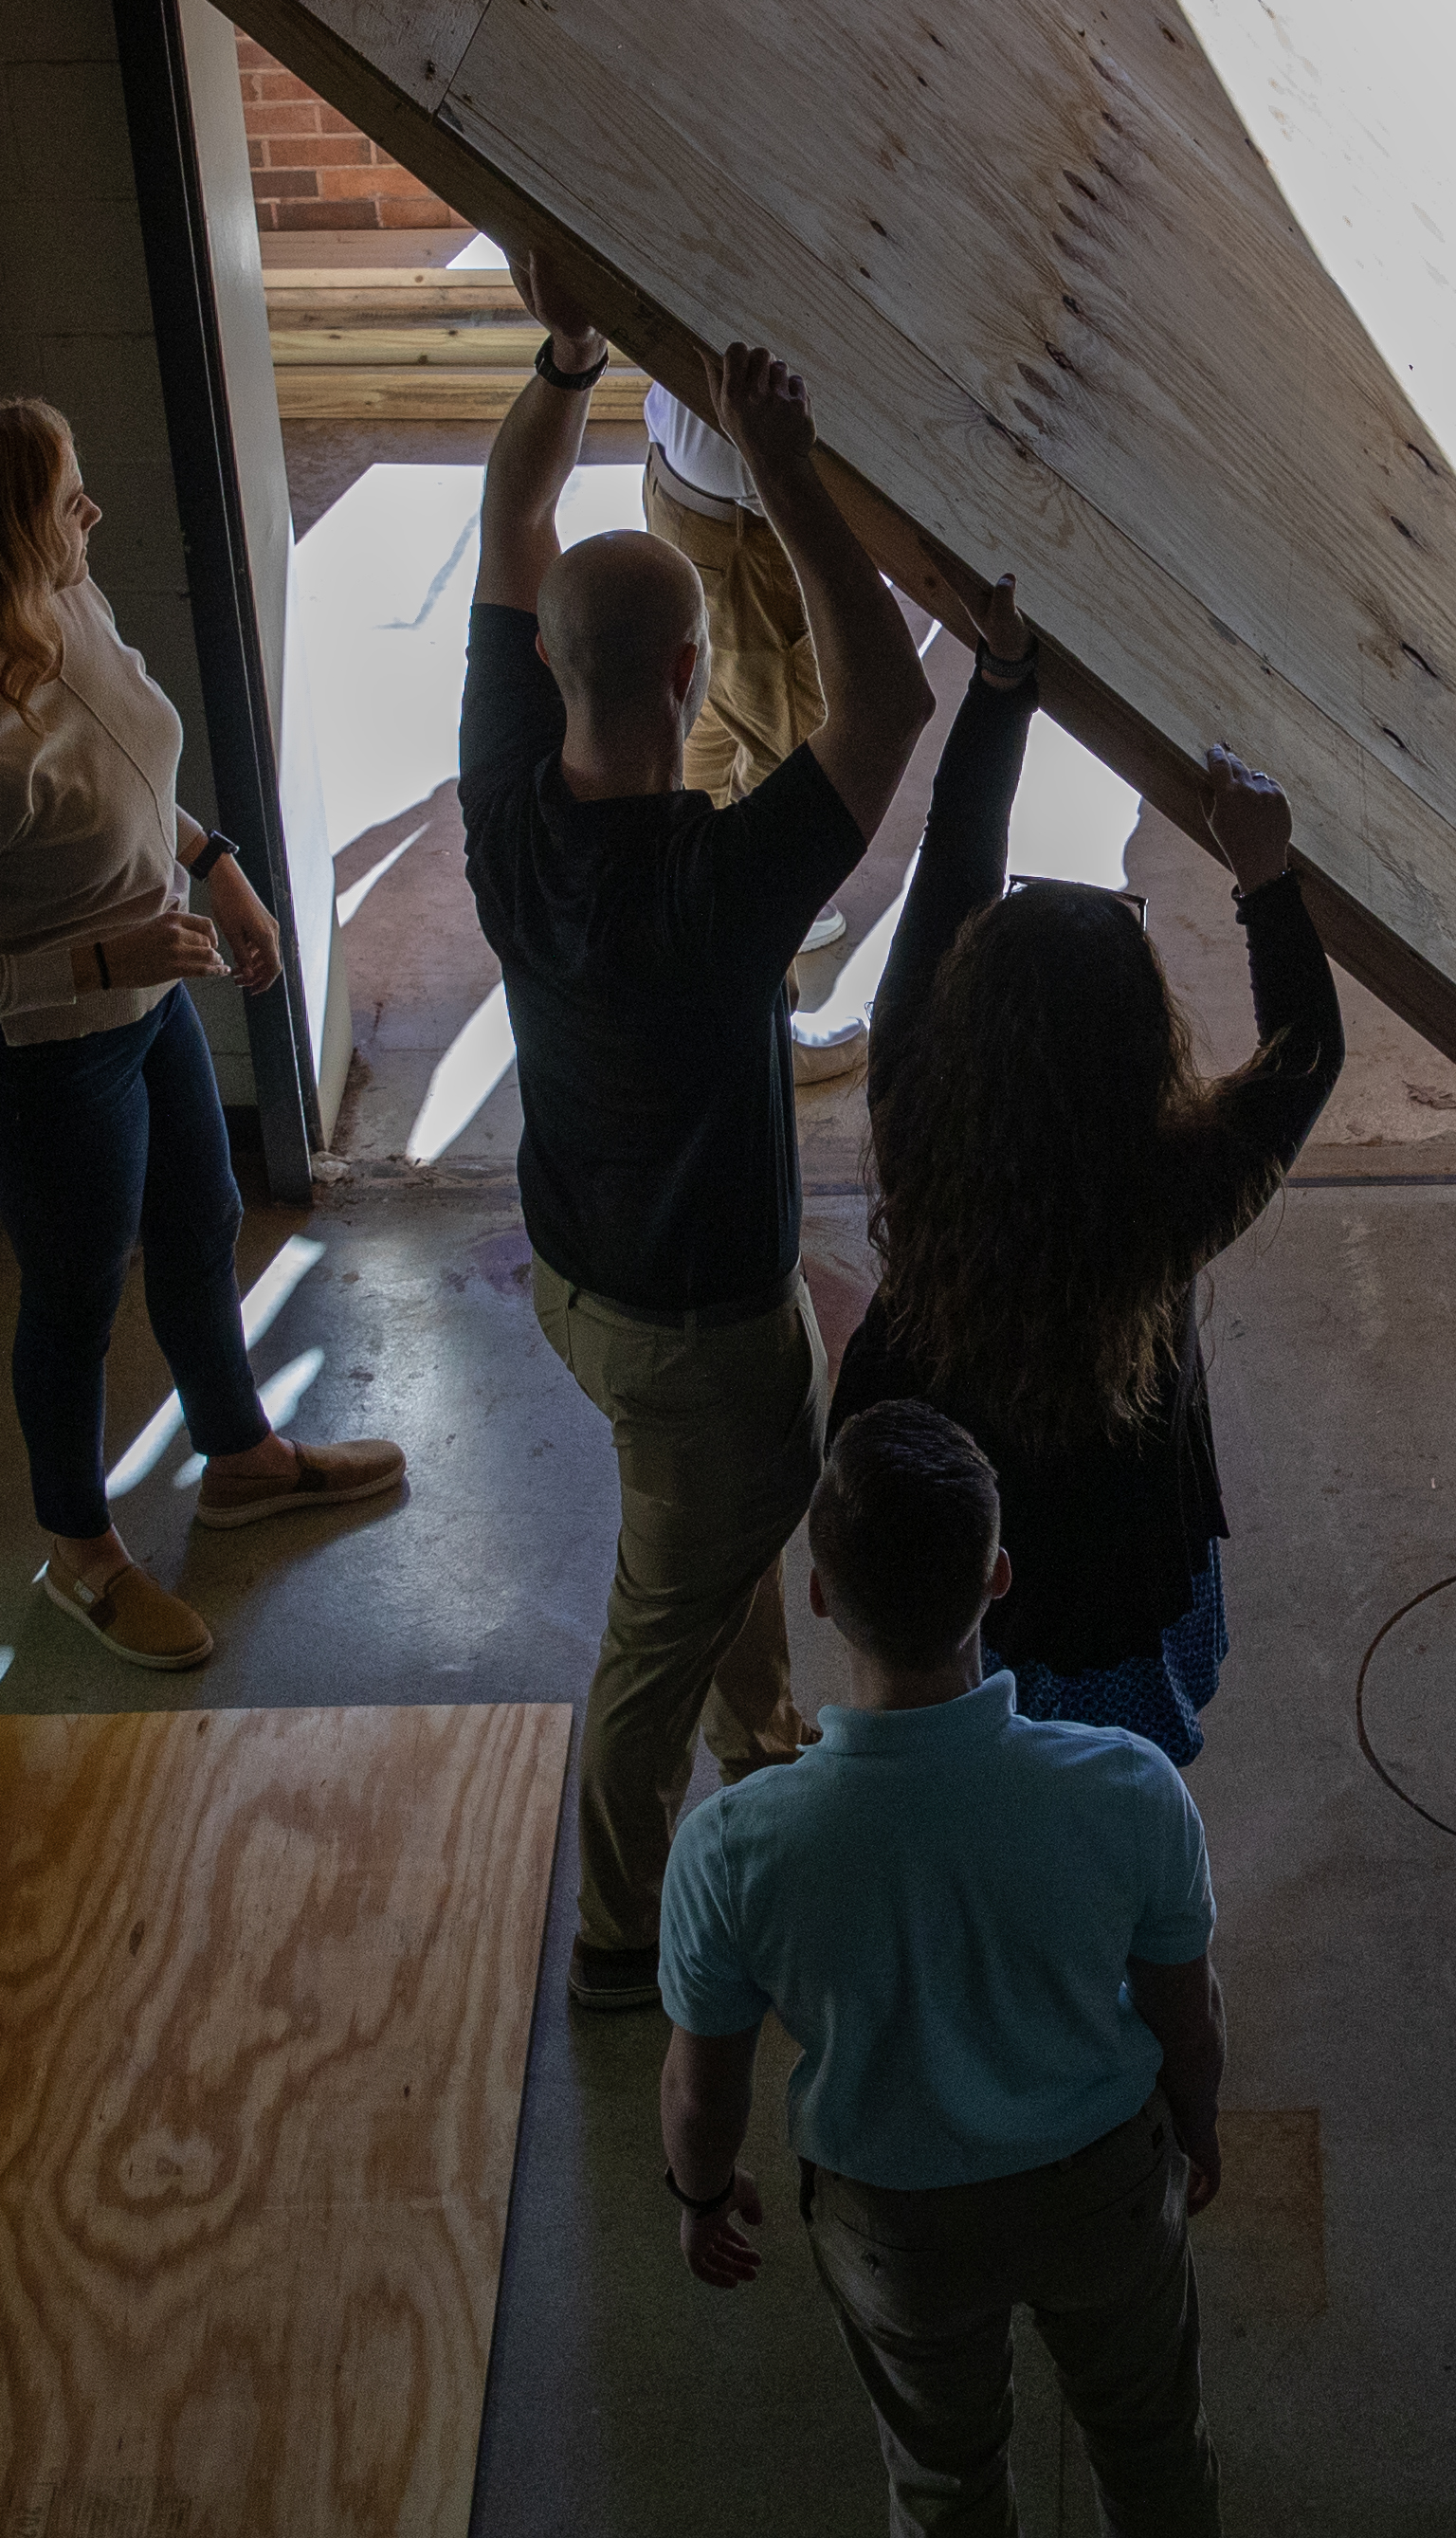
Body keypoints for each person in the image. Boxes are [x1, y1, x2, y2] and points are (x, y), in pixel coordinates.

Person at [659, 1404, 1314, 2538]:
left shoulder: (738, 1846)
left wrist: (703, 2194)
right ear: (998, 1577)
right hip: (1099, 2179)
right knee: (1153, 2434)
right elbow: (1184, 2013)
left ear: (821, 1593)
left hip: (894, 2220)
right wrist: (1195, 2130)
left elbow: (703, 2082)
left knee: (945, 2470)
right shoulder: (1126, 1790)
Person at [466, 259, 930, 2008]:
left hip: (583, 1289)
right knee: (654, 1626)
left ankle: (768, 1733)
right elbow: (886, 712)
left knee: (708, 1530)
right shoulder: (714, 894)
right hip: (700, 1330)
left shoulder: (505, 806)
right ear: (692, 669)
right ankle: (612, 1942)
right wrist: (787, 473)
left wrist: (570, 358)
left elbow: (519, 516)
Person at [0, 399, 402, 1672]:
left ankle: (242, 1456)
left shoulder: (64, 611)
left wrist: (217, 866)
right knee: (77, 1298)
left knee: (201, 1223)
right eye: (66, 503)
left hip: (142, 1006)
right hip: (40, 1059)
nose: (90, 518)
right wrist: (102, 958)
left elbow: (132, 773)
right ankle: (78, 1553)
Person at [836, 575, 1340, 1763]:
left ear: (967, 1006)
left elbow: (949, 865)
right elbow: (1304, 1058)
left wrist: (1003, 686)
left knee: (965, 1767)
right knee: (1113, 1799)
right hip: (1117, 1573)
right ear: (1140, 1048)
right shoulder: (1166, 1193)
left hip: (959, 1568)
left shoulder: (913, 1098)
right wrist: (1268, 878)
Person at [636, 370, 868, 1084]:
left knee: (707, 711)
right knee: (790, 757)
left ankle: (675, 947)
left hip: (684, 483)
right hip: (752, 517)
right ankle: (768, 1033)